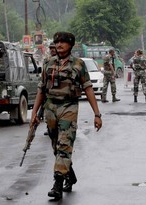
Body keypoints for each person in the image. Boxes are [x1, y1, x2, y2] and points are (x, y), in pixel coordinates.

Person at [30, 32, 102, 200]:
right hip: (51, 108)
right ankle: (69, 174)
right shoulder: (48, 63)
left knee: (64, 144)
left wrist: (97, 114)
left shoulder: (78, 64)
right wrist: (34, 113)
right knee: (57, 146)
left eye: (63, 42)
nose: (59, 44)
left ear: (70, 45)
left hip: (69, 107)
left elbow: (88, 88)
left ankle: (57, 184)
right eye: (57, 42)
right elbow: (41, 88)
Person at [43, 42, 57, 136]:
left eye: (53, 48)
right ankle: (49, 127)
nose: (52, 50)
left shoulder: (62, 59)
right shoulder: (47, 60)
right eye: (50, 48)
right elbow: (43, 76)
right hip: (48, 89)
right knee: (48, 111)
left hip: (60, 90)